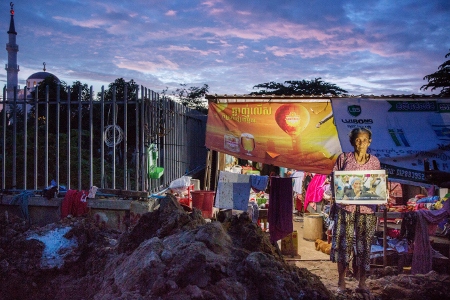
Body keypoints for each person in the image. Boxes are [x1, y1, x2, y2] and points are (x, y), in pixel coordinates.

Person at [330, 127, 380, 298]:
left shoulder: (375, 162)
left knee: (364, 247)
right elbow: (334, 181)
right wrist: (341, 192)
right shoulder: (343, 159)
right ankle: (341, 281)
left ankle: (362, 282)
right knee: (344, 245)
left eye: (364, 140)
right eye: (358, 140)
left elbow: (376, 185)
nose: (361, 143)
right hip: (346, 210)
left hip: (367, 211)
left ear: (370, 142)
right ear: (352, 142)